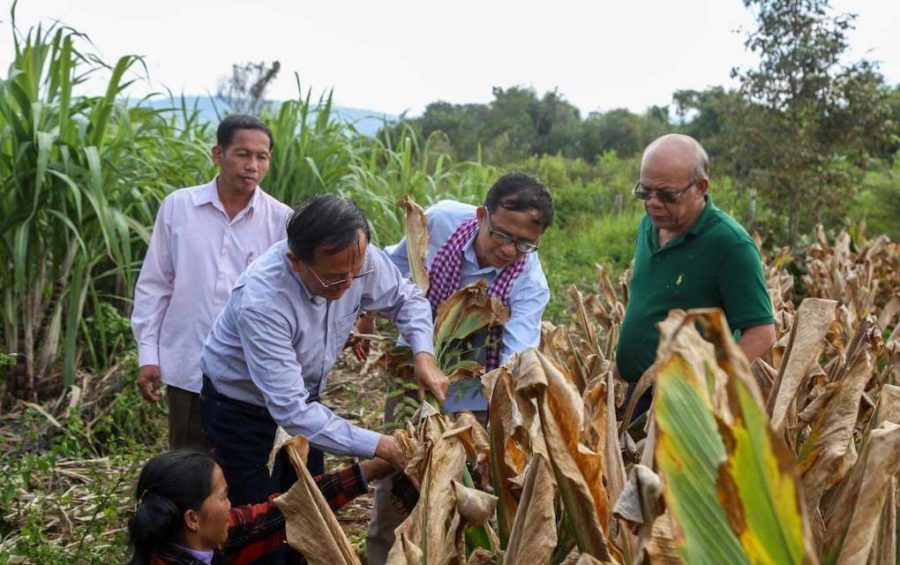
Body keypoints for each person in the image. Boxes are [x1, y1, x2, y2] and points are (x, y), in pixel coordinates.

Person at [199, 194, 449, 510]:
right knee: (258, 518)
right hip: (241, 410)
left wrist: (423, 356)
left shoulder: (356, 258)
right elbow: (292, 412)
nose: (347, 285)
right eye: (332, 277)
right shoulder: (263, 302)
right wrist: (383, 445)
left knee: (308, 507)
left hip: (305, 397)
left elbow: (407, 300)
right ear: (295, 261)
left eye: (354, 274)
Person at [365, 171, 554, 564]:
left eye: (524, 243)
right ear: (482, 214)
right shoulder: (442, 220)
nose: (508, 250)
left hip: (474, 393)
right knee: (396, 478)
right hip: (410, 370)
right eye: (501, 235)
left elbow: (510, 367)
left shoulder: (529, 284)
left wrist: (461, 410)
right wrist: (366, 306)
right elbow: (391, 263)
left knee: (458, 486)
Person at [131, 115, 291, 450]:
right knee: (188, 468)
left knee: (243, 473)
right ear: (218, 154)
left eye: (261, 157)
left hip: (249, 375)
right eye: (242, 154)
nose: (252, 165)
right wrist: (149, 354)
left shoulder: (281, 221)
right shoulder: (179, 207)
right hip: (189, 366)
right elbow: (155, 284)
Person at [615, 133, 776, 412]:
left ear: (700, 188)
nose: (653, 203)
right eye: (645, 191)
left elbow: (762, 333)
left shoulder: (730, 244)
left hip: (685, 405)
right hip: (633, 393)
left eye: (667, 195)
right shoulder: (648, 225)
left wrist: (707, 388)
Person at [127, 449, 393, 564]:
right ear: (192, 519)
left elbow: (289, 510)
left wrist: (370, 469)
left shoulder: (203, 540)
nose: (231, 505)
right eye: (223, 496)